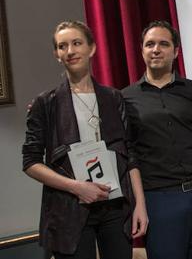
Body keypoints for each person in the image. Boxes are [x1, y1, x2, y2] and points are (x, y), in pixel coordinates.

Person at [22, 20, 148, 259]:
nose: (70, 51)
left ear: (92, 48)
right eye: (62, 46)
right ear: (56, 54)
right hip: (69, 209)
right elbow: (30, 162)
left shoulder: (113, 98)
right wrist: (77, 187)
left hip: (114, 207)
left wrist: (140, 204)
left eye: (76, 43)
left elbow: (130, 154)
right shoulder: (45, 103)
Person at [122, 20, 192, 259]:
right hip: (159, 203)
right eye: (149, 44)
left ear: (176, 51)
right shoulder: (125, 99)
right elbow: (127, 155)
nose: (156, 49)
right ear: (141, 50)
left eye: (163, 43)